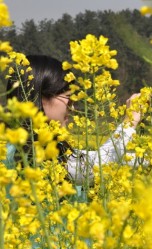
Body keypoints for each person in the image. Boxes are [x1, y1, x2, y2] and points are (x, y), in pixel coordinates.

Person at [5, 54, 142, 187]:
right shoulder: (13, 153)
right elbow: (98, 166)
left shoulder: (47, 147)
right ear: (40, 98)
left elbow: (88, 161)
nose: (73, 106)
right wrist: (130, 120)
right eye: (68, 98)